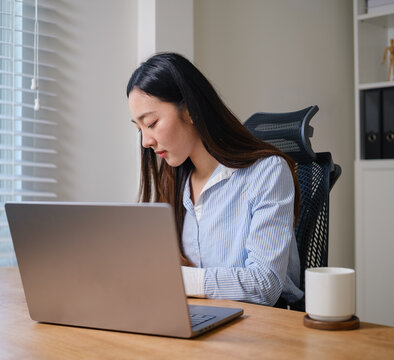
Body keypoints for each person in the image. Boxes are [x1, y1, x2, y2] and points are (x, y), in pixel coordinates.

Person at [126, 52, 304, 307]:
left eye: (151, 123)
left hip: (263, 327)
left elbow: (266, 284)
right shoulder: (174, 179)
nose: (146, 141)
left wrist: (176, 280)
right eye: (139, 129)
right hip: (198, 321)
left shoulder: (267, 173)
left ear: (189, 111)